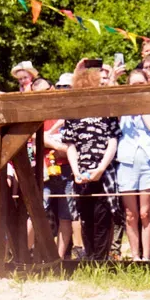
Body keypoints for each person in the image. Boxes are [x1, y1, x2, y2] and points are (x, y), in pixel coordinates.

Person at [63, 61, 118, 260]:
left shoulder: (107, 109)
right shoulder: (73, 112)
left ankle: (101, 260)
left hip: (104, 171)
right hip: (81, 171)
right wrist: (76, 170)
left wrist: (101, 168)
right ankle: (90, 258)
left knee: (103, 216)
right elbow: (70, 144)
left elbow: (113, 139)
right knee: (85, 216)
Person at [117, 69, 150, 261]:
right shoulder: (123, 108)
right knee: (131, 214)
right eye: (133, 85)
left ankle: (146, 257)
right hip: (127, 161)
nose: (137, 88)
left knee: (146, 213)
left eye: (140, 84)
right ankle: (135, 256)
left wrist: (141, 103)